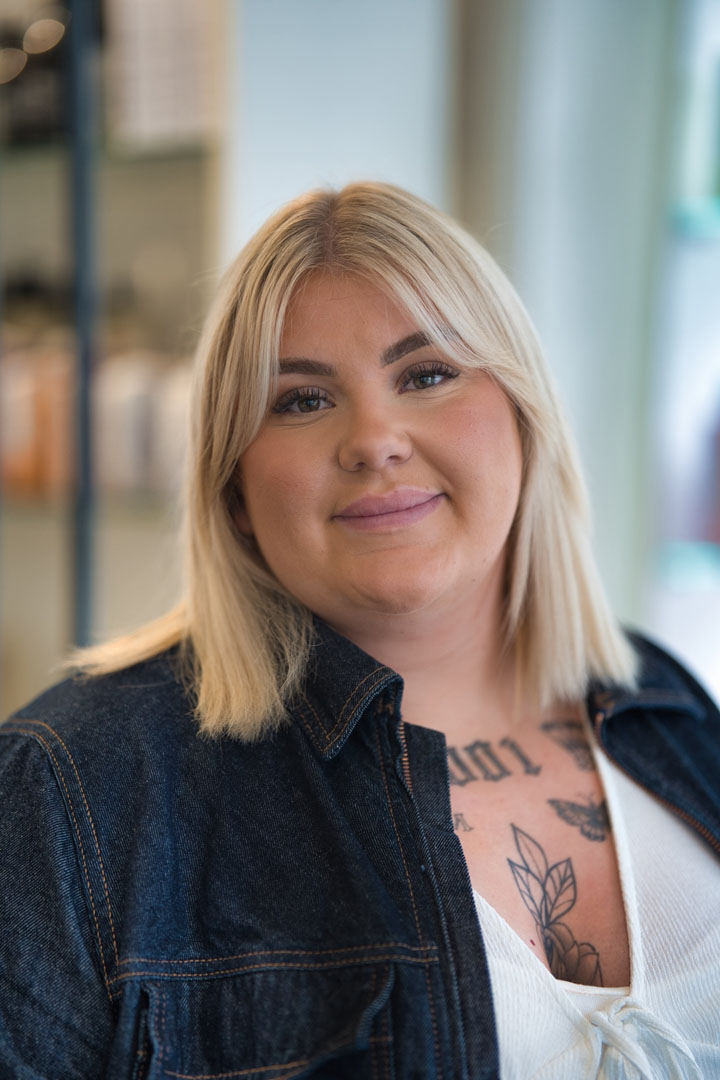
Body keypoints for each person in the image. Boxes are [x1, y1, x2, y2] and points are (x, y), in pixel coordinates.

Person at [1, 182, 718, 1079]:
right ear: (234, 488)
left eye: (427, 375)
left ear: (525, 420)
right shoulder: (69, 788)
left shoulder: (664, 697)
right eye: (303, 400)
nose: (375, 440)